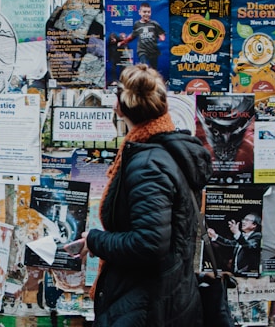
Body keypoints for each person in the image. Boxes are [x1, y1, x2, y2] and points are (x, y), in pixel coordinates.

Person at [72, 64, 212, 326]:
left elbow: (149, 244)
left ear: (120, 108)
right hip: (165, 299)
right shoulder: (167, 151)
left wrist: (96, 241)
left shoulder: (148, 164)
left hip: (146, 307)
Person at [118, 3, 166, 71]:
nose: (146, 14)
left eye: (148, 12)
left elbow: (161, 34)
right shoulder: (137, 24)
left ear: (151, 12)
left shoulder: (154, 24)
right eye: (144, 12)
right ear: (139, 12)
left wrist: (162, 37)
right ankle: (143, 80)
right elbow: (132, 36)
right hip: (142, 50)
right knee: (144, 67)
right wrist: (123, 42)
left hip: (153, 50)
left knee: (153, 69)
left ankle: (152, 80)